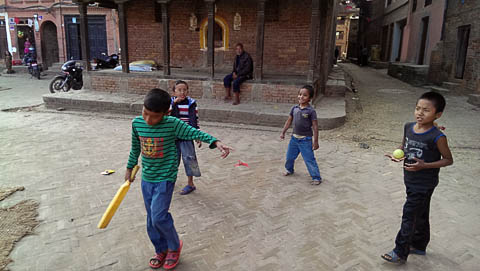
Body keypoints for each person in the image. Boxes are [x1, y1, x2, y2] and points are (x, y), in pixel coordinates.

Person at [125, 88, 233, 270]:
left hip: (165, 178)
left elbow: (194, 132)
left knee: (159, 216)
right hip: (147, 179)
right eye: (145, 113)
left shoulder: (172, 124)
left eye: (154, 116)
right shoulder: (137, 124)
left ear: (166, 112)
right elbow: (135, 148)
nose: (148, 120)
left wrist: (216, 142)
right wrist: (129, 168)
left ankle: (174, 246)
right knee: (151, 219)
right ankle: (161, 249)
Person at [381, 91, 453, 264]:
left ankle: (400, 251)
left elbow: (448, 160)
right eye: (417, 108)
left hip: (425, 183)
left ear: (438, 114)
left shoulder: (438, 136)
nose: (420, 113)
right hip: (410, 179)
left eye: (426, 110)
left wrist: (424, 166)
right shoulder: (408, 126)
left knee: (409, 215)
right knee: (420, 214)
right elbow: (404, 145)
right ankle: (419, 245)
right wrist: (398, 154)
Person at [280, 85, 322, 185]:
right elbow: (289, 121)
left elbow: (315, 127)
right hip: (294, 139)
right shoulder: (294, 108)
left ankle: (316, 177)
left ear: (310, 98)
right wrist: (283, 132)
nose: (301, 97)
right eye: (300, 94)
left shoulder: (311, 111)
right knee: (289, 157)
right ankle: (289, 170)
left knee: (309, 159)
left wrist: (315, 141)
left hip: (305, 140)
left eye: (305, 95)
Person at [170, 80, 202, 195]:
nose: (182, 92)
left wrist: (197, 135)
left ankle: (190, 183)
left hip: (187, 136)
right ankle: (170, 182)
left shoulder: (192, 103)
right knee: (173, 160)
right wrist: (174, 104)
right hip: (173, 137)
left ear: (187, 91)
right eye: (179, 90)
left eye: (184, 90)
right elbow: (165, 115)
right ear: (174, 92)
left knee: (190, 159)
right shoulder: (170, 102)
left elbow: (195, 120)